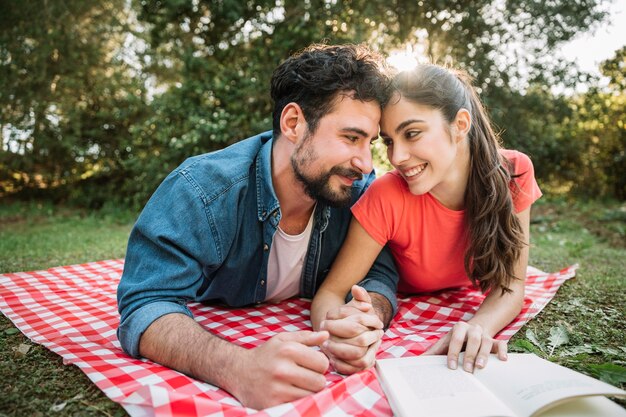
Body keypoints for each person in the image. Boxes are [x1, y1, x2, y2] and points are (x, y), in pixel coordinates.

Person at [116, 43, 400, 410]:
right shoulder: (202, 191)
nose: (365, 162)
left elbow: (379, 271)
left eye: (370, 143)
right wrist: (237, 367)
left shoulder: (357, 191)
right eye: (351, 138)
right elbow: (146, 302)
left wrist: (367, 317)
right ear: (294, 123)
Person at [311, 63, 542, 375]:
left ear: (460, 124)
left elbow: (511, 288)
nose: (396, 157)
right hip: (389, 283)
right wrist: (336, 333)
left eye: (412, 133)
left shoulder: (514, 173)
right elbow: (330, 293)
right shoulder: (387, 194)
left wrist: (477, 326)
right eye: (390, 141)